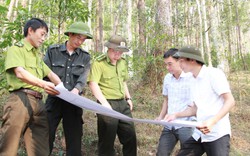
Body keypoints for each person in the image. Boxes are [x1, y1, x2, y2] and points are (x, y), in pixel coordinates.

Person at [0, 18, 61, 156]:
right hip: (20, 100)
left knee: (40, 149)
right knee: (9, 147)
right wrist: (43, 84)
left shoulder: (37, 57)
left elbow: (51, 74)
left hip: (39, 103)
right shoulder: (16, 49)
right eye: (42, 34)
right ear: (30, 31)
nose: (44, 38)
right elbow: (20, 73)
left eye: (45, 35)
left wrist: (64, 90)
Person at [165, 46, 235, 156]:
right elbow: (195, 109)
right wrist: (175, 115)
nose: (179, 64)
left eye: (182, 61)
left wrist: (213, 121)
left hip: (217, 133)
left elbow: (230, 101)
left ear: (192, 60)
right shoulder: (191, 79)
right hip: (200, 134)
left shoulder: (213, 74)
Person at [44, 22, 92, 156]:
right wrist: (50, 86)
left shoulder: (85, 56)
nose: (80, 41)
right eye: (78, 37)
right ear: (70, 34)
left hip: (74, 101)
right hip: (54, 99)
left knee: (74, 138)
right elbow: (45, 71)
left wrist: (76, 90)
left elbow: (83, 78)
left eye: (83, 39)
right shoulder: (53, 51)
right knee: (46, 134)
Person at [88, 35, 137, 156]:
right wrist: (104, 103)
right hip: (107, 103)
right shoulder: (99, 63)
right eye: (115, 50)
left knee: (130, 136)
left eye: (121, 52)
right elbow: (93, 84)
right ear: (108, 48)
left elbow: (123, 81)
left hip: (122, 103)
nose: (118, 54)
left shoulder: (122, 63)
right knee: (107, 139)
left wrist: (128, 98)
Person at [155, 48, 194, 156]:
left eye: (170, 64)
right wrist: (161, 116)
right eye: (166, 64)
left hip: (186, 125)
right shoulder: (167, 78)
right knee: (161, 153)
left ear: (180, 61)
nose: (167, 67)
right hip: (169, 125)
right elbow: (166, 100)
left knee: (188, 153)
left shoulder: (191, 77)